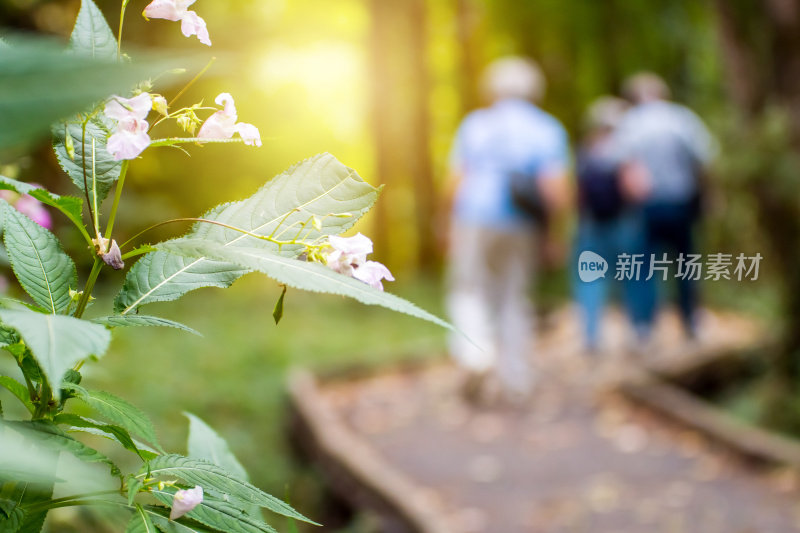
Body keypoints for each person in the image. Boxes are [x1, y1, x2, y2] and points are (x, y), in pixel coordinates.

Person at [444, 56, 570, 403]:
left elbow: (455, 180)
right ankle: (516, 381)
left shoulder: (475, 125)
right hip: (521, 223)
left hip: (474, 216)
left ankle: (476, 354)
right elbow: (555, 191)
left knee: (469, 290)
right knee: (515, 298)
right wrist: (554, 235)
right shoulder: (546, 128)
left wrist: (445, 224)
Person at [614, 72, 715, 340]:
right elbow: (704, 158)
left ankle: (644, 327)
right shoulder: (682, 118)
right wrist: (709, 195)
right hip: (681, 201)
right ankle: (690, 322)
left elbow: (621, 167)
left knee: (643, 266)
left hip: (646, 206)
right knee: (685, 262)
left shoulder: (630, 123)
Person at [573, 97, 650, 353]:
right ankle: (638, 331)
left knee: (591, 280)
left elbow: (576, 193)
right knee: (631, 277)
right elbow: (637, 188)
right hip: (624, 223)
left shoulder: (586, 151)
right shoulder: (625, 150)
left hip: (591, 226)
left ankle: (591, 336)